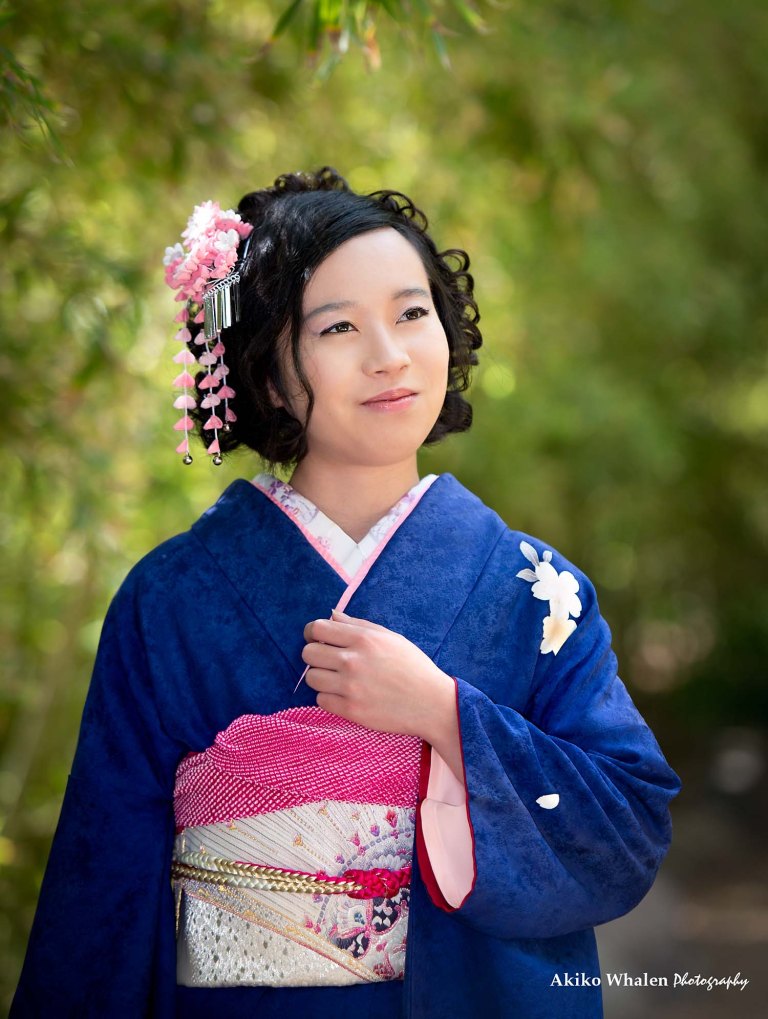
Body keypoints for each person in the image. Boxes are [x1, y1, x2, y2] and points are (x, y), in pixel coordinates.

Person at [12, 167, 681, 1018]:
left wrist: (443, 713)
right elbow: (101, 895)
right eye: (338, 327)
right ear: (268, 373)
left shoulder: (535, 594)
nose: (389, 355)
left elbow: (624, 826)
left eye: (411, 314)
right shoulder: (170, 599)